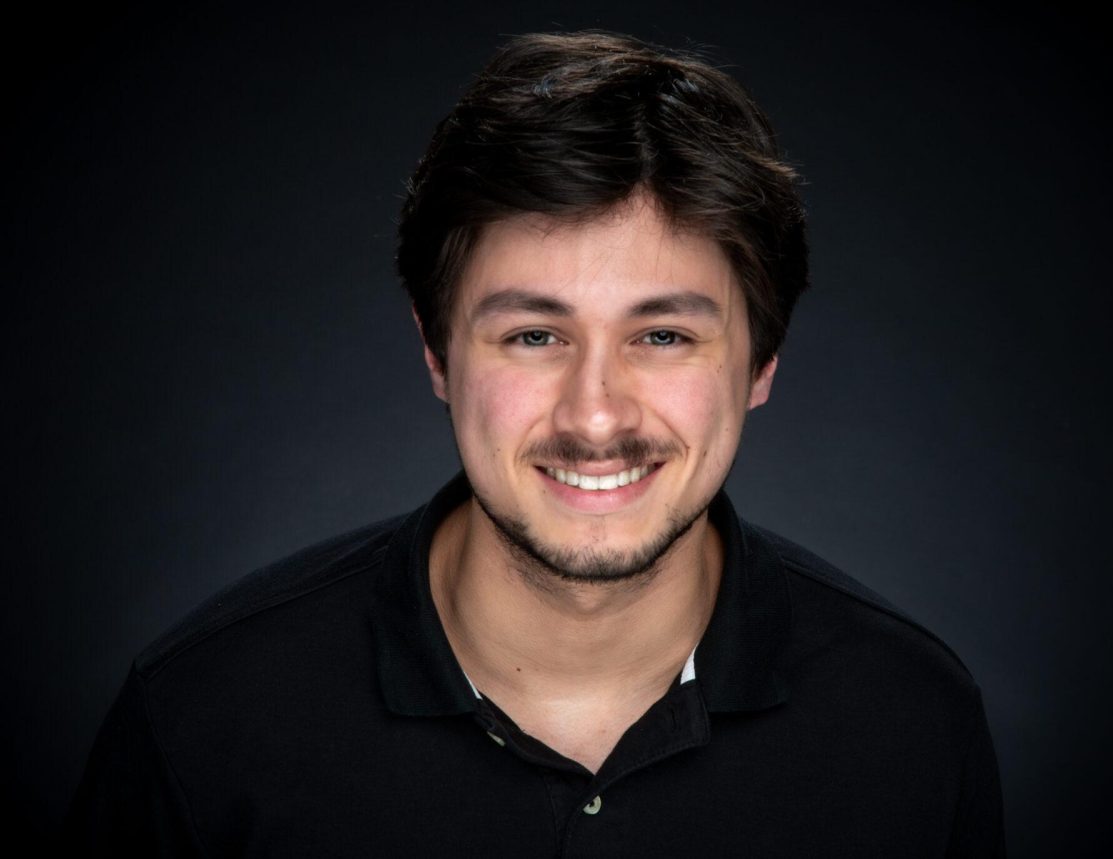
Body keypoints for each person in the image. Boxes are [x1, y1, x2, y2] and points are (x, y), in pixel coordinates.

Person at [66, 31, 1005, 856]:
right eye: (534, 335)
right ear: (437, 353)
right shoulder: (203, 717)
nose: (595, 417)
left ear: (762, 363)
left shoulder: (911, 721)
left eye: (663, 335)